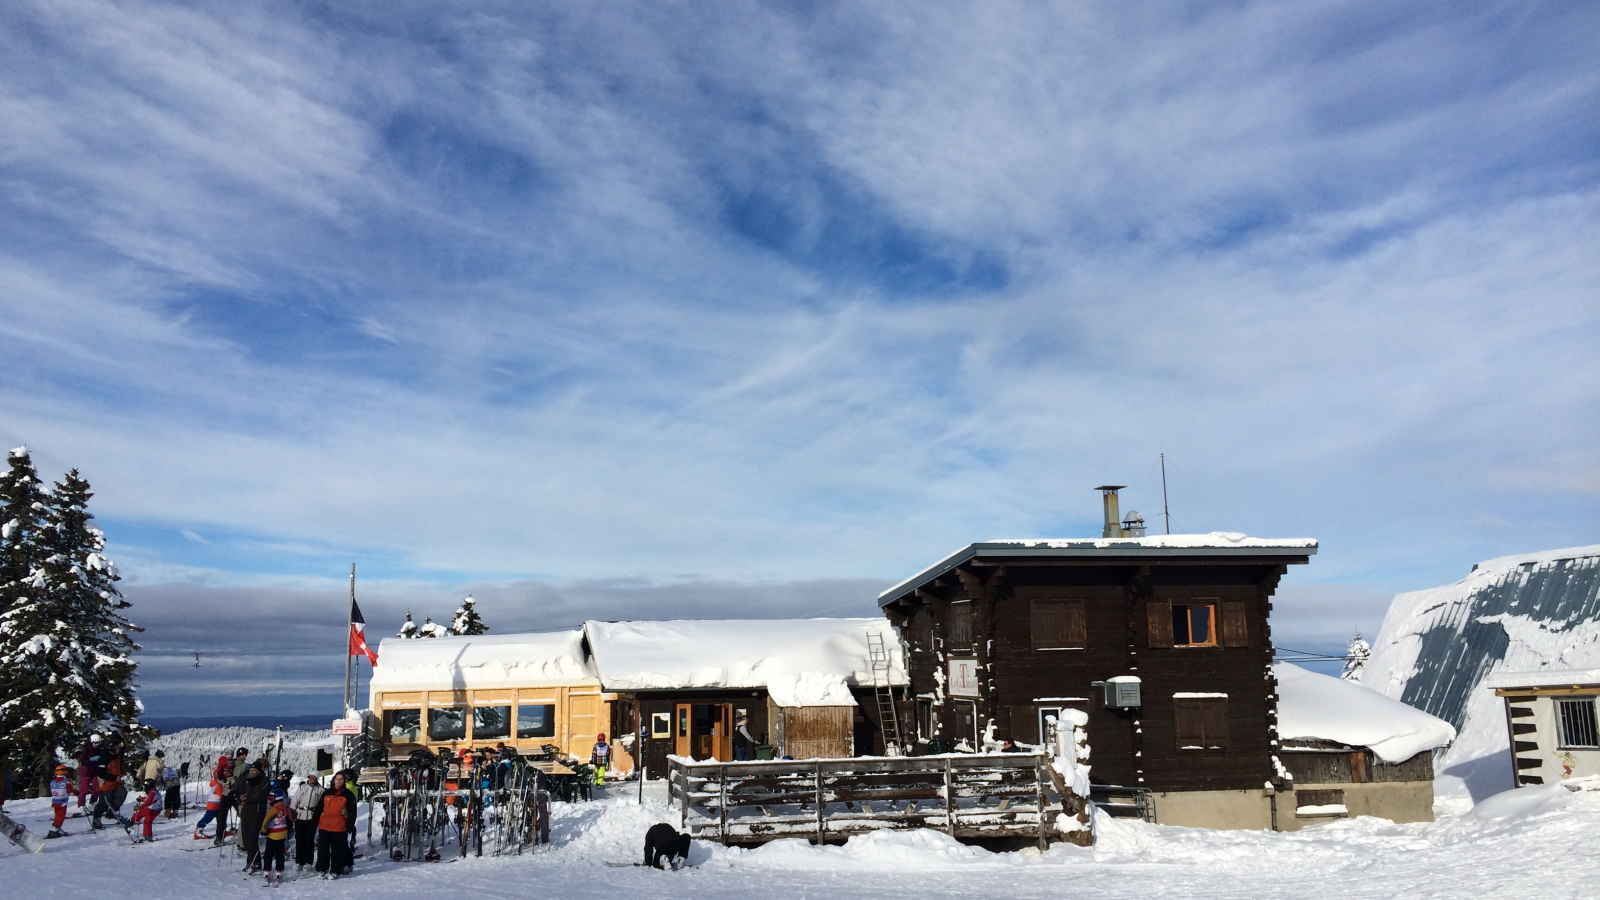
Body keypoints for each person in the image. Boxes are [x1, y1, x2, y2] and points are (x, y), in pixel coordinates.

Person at [311, 772, 356, 879]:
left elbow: (352, 812)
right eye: (337, 779)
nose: (339, 781)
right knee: (323, 849)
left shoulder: (348, 795)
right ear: (334, 780)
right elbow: (318, 808)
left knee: (337, 850)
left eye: (341, 779)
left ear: (344, 781)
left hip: (339, 827)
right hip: (324, 826)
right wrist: (314, 823)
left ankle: (335, 870)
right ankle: (322, 869)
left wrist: (350, 826)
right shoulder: (327, 793)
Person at [237, 762, 270, 872]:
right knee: (246, 841)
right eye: (251, 771)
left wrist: (247, 799)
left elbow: (260, 795)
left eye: (254, 770)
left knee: (252, 840)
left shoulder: (265, 781)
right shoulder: (247, 781)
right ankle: (256, 862)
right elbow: (242, 793)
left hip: (257, 814)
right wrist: (240, 799)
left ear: (259, 771)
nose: (251, 773)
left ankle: (251, 863)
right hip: (246, 813)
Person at [289, 773, 323, 871]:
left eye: (313, 777)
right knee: (299, 839)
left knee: (309, 840)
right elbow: (295, 800)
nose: (311, 779)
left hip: (312, 816)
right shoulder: (302, 788)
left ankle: (308, 861)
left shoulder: (320, 790)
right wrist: (292, 812)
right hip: (300, 814)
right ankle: (299, 861)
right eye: (309, 777)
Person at [259, 790, 291, 887]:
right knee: (279, 854)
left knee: (268, 854)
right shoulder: (286, 807)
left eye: (271, 799)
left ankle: (267, 872)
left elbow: (266, 820)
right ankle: (279, 872)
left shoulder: (274, 809)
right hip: (283, 835)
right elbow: (293, 817)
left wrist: (264, 831)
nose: (270, 801)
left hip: (273, 835)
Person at [48, 764, 72, 837]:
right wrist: (77, 792)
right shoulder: (67, 781)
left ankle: (56, 827)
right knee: (61, 815)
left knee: (57, 815)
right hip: (62, 801)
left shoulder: (52, 781)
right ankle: (56, 829)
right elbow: (69, 790)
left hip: (55, 801)